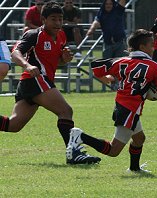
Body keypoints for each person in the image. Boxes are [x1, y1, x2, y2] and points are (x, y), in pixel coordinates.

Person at [0, 1, 100, 165]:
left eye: (60, 19)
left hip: (32, 84)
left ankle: (73, 153)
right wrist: (27, 65)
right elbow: (15, 53)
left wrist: (64, 59)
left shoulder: (61, 36)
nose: (58, 23)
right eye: (53, 19)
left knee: (13, 125)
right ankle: (74, 154)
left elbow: (57, 61)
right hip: (36, 80)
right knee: (66, 111)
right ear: (43, 19)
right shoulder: (34, 34)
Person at [66, 29, 157, 172]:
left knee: (139, 139)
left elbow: (96, 67)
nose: (153, 48)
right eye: (151, 44)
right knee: (113, 150)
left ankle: (134, 169)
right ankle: (80, 136)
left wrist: (107, 79)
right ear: (142, 47)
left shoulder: (121, 61)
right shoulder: (155, 66)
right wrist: (150, 94)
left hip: (122, 105)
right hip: (131, 109)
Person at [86, 0, 128, 91]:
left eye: (110, 4)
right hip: (108, 43)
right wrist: (91, 30)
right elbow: (96, 22)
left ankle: (119, 85)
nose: (108, 6)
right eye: (107, 4)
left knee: (120, 64)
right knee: (107, 66)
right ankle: (112, 84)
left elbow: (122, 2)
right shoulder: (102, 13)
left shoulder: (118, 10)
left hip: (119, 42)